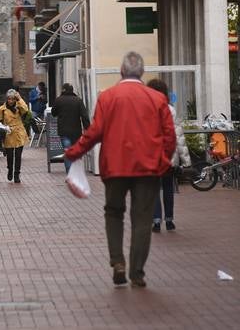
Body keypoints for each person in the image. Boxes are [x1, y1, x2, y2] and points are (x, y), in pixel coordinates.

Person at [65, 52, 176, 289]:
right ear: (142, 73)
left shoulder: (108, 97)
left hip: (115, 167)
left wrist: (74, 152)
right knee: (142, 219)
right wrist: (164, 161)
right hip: (148, 168)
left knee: (114, 213)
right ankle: (137, 272)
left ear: (122, 72)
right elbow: (169, 135)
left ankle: (118, 262)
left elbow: (95, 132)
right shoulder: (157, 99)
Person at [146, 79, 191, 233]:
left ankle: (156, 221)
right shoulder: (170, 110)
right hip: (169, 156)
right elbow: (179, 136)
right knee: (168, 187)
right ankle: (170, 220)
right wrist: (186, 160)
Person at [0, 89, 30, 182]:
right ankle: (10, 170)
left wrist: (19, 98)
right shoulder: (2, 109)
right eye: (9, 99)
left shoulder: (19, 106)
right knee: (10, 155)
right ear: (6, 99)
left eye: (12, 99)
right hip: (8, 133)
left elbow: (25, 109)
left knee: (18, 155)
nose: (11, 101)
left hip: (19, 133)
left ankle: (17, 174)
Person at [50, 83, 90, 173]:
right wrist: (87, 128)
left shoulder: (59, 100)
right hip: (76, 131)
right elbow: (84, 116)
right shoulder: (78, 100)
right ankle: (77, 171)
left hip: (63, 131)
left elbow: (53, 113)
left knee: (67, 152)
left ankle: (70, 173)